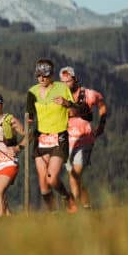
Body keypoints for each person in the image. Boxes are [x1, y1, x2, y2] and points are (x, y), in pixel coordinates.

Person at [26, 59, 76, 212]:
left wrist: (66, 103)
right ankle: (53, 212)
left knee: (51, 177)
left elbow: (74, 110)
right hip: (41, 138)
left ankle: (67, 197)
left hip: (59, 137)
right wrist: (28, 122)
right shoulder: (32, 92)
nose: (41, 79)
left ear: (52, 75)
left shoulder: (62, 88)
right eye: (38, 76)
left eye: (45, 76)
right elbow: (30, 115)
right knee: (43, 182)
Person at [60, 66, 109, 209]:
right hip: (66, 141)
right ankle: (86, 206)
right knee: (74, 177)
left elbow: (101, 104)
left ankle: (74, 207)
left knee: (75, 175)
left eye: (68, 81)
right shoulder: (59, 98)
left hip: (84, 139)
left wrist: (102, 124)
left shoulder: (88, 94)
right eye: (62, 82)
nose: (65, 85)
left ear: (75, 79)